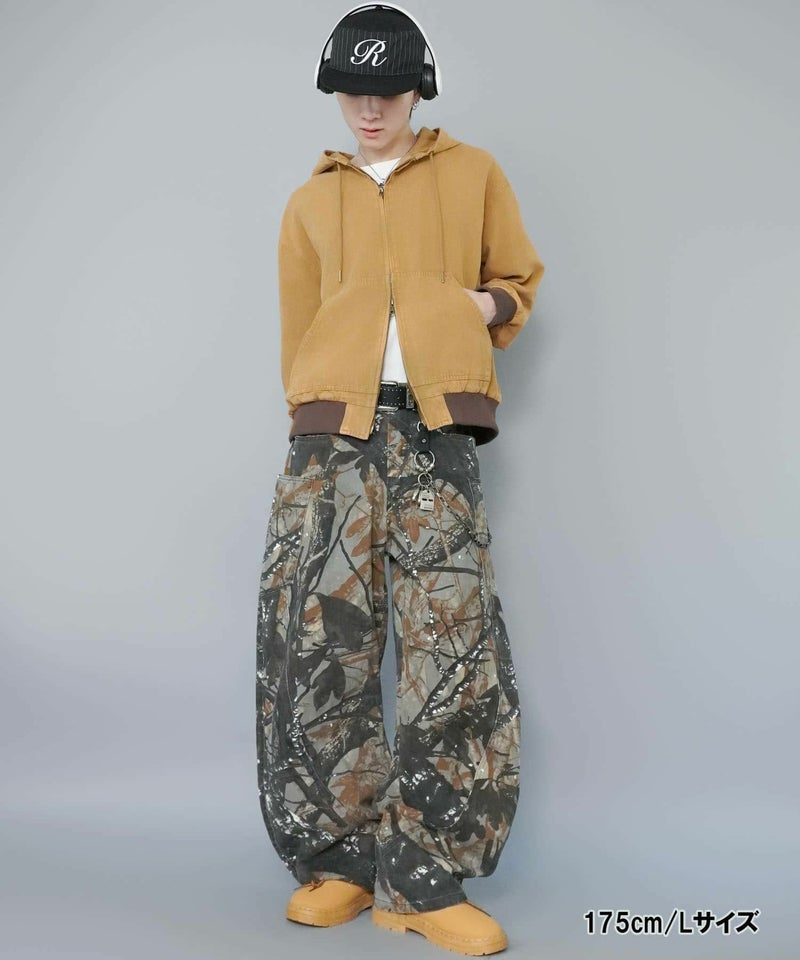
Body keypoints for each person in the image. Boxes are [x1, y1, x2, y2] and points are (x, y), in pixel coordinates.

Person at [256, 4, 545, 954]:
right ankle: (339, 861)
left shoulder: (472, 173)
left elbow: (518, 282)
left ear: (419, 89)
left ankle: (422, 878)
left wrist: (477, 307)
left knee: (449, 646)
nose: (369, 110)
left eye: (385, 91)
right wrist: (313, 415)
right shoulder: (311, 202)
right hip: (330, 438)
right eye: (352, 92)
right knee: (318, 644)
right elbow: (299, 330)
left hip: (435, 430)